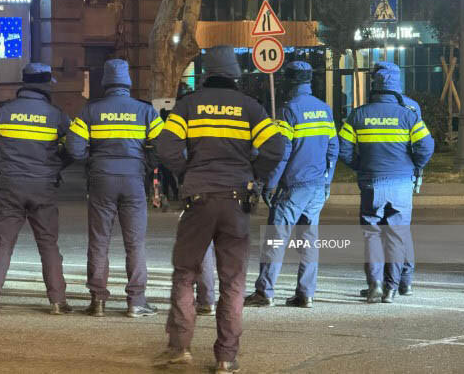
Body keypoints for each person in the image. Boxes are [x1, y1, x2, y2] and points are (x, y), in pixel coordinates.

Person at [154, 45, 284, 373]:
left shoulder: (188, 106)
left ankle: (179, 348)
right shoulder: (251, 108)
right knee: (233, 281)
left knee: (185, 273)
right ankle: (226, 357)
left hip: (198, 199)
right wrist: (253, 172)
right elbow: (276, 147)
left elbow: (165, 147)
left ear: (206, 72)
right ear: (235, 73)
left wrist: (187, 172)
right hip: (237, 200)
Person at [66, 59, 162, 318]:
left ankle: (98, 301)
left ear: (105, 82)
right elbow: (164, 147)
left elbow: (74, 148)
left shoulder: (90, 111)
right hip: (133, 180)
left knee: (99, 241)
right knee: (135, 243)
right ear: (128, 82)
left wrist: (94, 161)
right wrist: (144, 163)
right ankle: (136, 302)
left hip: (101, 180)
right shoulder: (145, 111)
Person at [0, 63, 73, 316]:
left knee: (4, 243)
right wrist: (56, 166)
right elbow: (74, 148)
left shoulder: (3, 113)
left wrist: (0, 168)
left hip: (11, 185)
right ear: (44, 86)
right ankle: (57, 302)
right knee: (49, 244)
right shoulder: (57, 116)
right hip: (43, 187)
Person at [244, 61, 339, 309]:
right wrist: (327, 181)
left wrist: (270, 184)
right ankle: (305, 293)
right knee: (307, 241)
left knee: (275, 240)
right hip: (317, 186)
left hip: (293, 186)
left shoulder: (290, 110)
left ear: (290, 81)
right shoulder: (324, 109)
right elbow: (333, 148)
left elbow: (283, 151)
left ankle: (265, 292)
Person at [338, 62, 434, 304]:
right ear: (396, 84)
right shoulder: (408, 114)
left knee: (372, 235)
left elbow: (344, 148)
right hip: (401, 183)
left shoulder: (359, 114)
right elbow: (426, 147)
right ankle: (392, 289)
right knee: (397, 236)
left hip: (371, 183)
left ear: (375, 85)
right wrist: (414, 165)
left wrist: (359, 166)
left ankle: (375, 285)